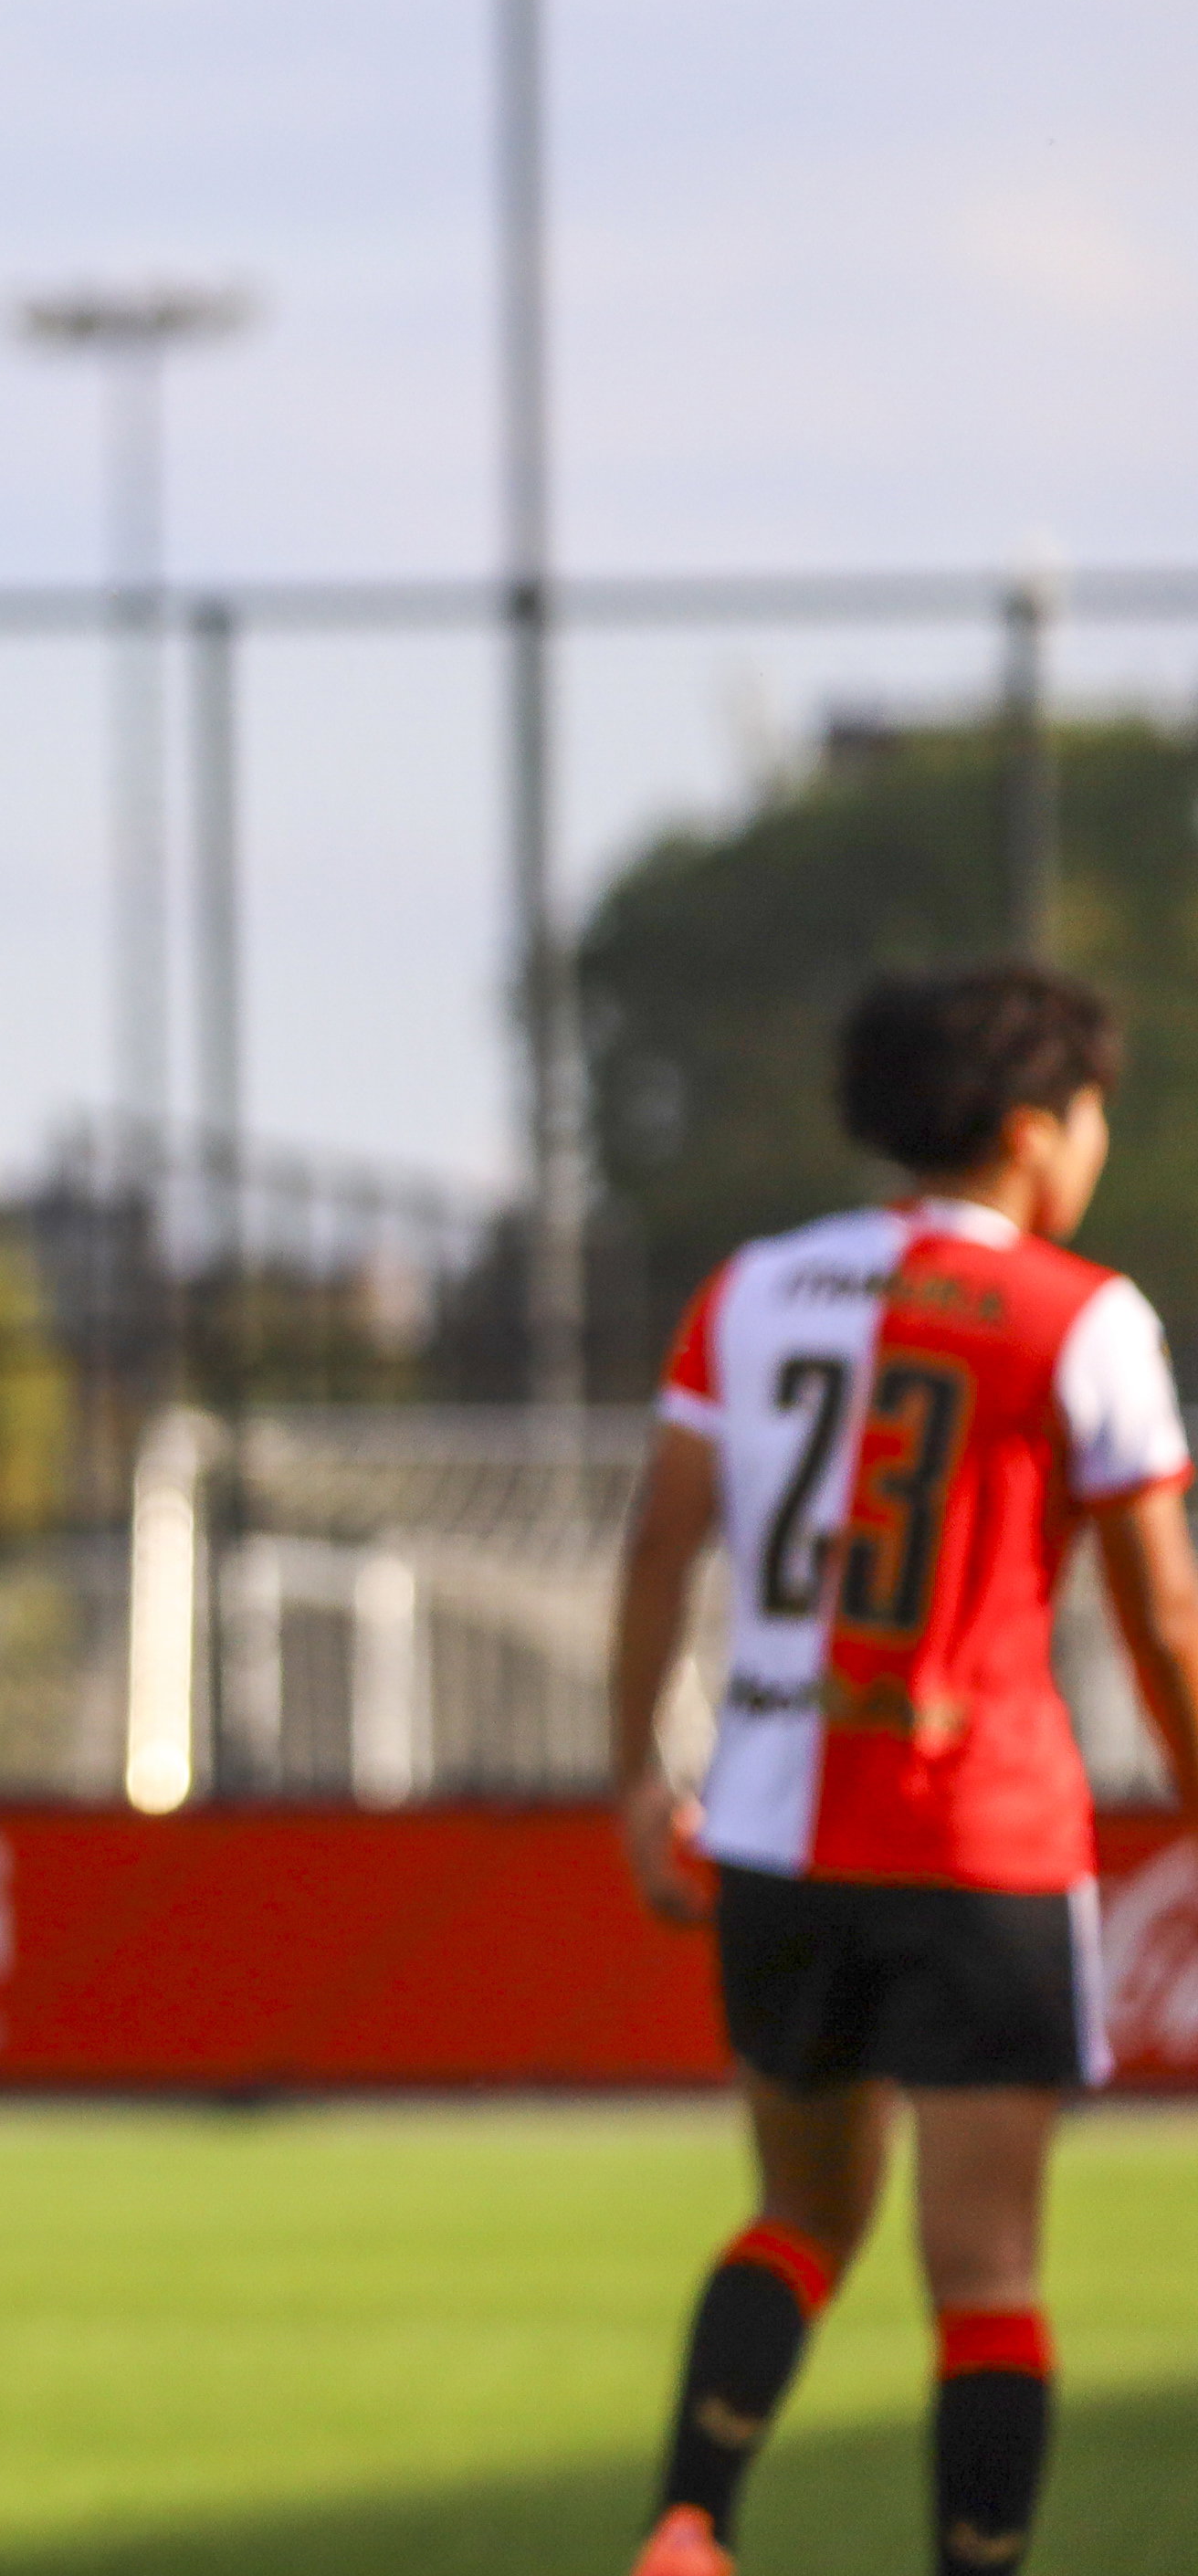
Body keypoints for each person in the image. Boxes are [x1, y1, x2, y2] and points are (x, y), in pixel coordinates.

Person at [606, 961, 1198, 2576]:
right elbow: (1166, 1616)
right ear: (1031, 1131)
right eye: (1091, 1120)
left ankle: (686, 2526)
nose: (1094, 1152)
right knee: (986, 2269)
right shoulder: (1085, 1317)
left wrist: (635, 1788)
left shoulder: (755, 1290)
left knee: (802, 2218)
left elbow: (660, 1545)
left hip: (778, 1833)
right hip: (978, 1840)